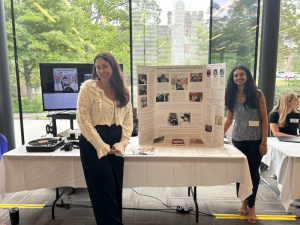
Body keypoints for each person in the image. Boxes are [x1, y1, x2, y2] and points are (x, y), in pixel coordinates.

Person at [77, 51, 133, 225]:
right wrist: (100, 145)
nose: (101, 70)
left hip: (116, 145)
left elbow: (128, 120)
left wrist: (123, 143)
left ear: (113, 67)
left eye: (105, 66)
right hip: (93, 144)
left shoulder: (124, 90)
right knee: (103, 190)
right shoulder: (88, 87)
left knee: (115, 188)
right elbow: (82, 118)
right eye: (98, 67)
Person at [224, 65, 268, 224]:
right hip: (238, 139)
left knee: (253, 172)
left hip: (256, 140)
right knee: (240, 172)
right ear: (232, 78)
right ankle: (243, 200)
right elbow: (229, 120)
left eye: (241, 74)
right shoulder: (231, 94)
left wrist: (264, 142)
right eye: (235, 75)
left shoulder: (257, 94)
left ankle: (252, 206)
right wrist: (217, 136)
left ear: (247, 76)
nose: (238, 77)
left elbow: (264, 119)